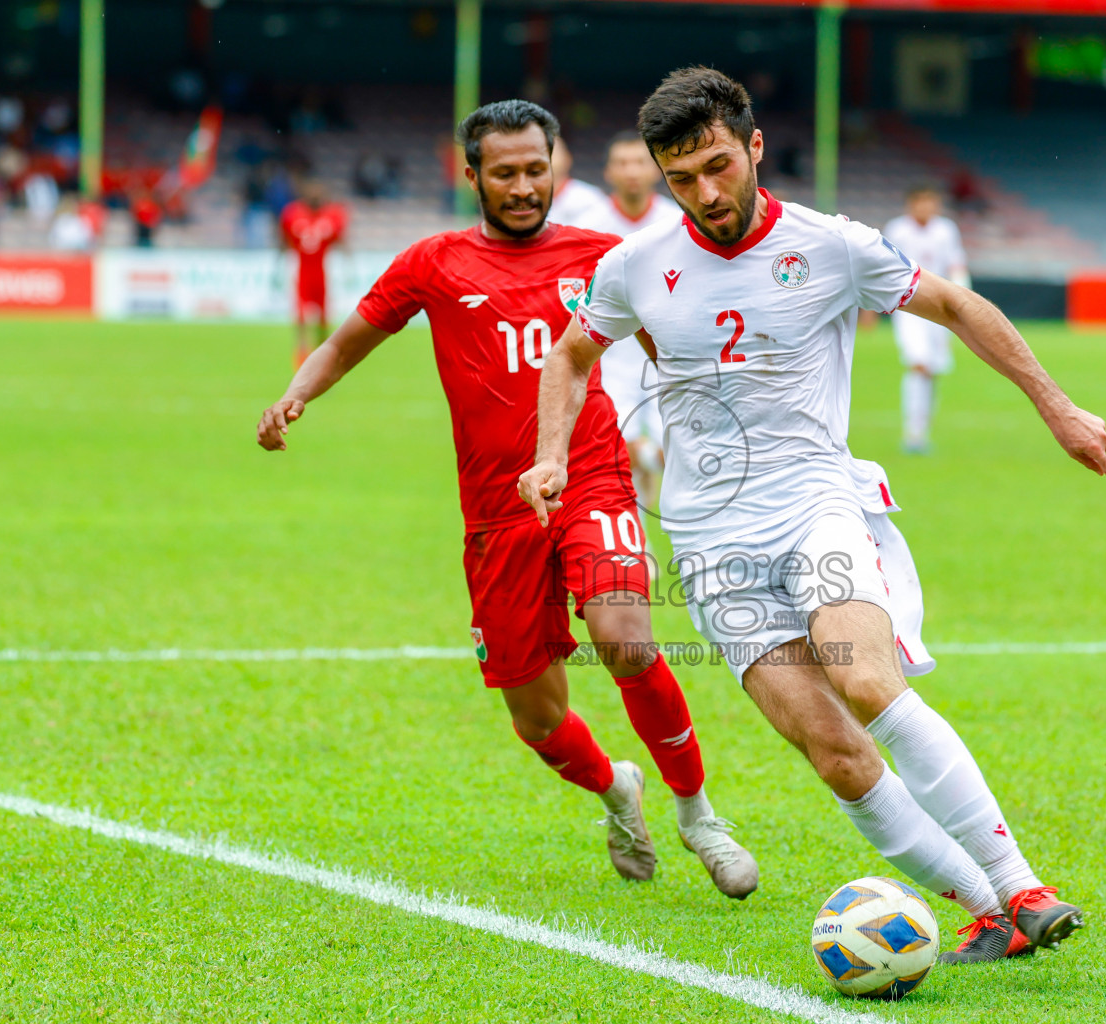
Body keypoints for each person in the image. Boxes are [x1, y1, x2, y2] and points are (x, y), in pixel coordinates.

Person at [521, 68, 1106, 966]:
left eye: (719, 167)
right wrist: (550, 453)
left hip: (817, 506)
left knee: (870, 683)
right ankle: (987, 910)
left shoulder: (834, 245)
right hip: (710, 542)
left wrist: (1059, 407)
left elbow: (957, 304)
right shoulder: (634, 266)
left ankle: (1024, 884)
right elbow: (570, 356)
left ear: (754, 146)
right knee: (835, 753)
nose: (706, 194)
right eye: (682, 179)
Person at [255, 99, 757, 900]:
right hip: (495, 514)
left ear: (555, 167)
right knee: (537, 719)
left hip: (590, 474)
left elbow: (678, 344)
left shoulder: (606, 255)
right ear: (473, 177)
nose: (524, 187)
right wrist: (295, 395)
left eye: (537, 170)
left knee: (626, 638)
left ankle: (698, 815)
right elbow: (351, 338)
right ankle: (614, 789)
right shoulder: (434, 262)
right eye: (506, 174)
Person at [566, 131, 681, 523]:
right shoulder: (587, 225)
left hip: (667, 351)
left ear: (656, 170)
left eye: (640, 162)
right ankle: (637, 548)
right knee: (616, 449)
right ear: (608, 171)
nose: (632, 171)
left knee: (681, 450)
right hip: (610, 353)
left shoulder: (677, 221)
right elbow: (572, 292)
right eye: (623, 163)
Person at [883, 185, 970, 453]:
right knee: (918, 363)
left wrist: (963, 300)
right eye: (921, 202)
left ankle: (922, 430)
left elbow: (956, 265)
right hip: (908, 308)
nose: (926, 208)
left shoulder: (946, 230)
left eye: (931, 203)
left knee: (932, 369)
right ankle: (913, 435)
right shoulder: (897, 230)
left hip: (939, 308)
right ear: (911, 204)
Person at [278, 179, 347, 368]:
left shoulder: (332, 215)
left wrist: (349, 264)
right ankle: (301, 361)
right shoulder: (293, 214)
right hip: (302, 274)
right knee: (301, 319)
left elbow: (340, 240)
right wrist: (277, 265)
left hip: (321, 275)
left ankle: (321, 362)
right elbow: (285, 240)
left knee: (323, 322)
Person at [545, 133, 604, 227]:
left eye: (552, 152)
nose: (546, 158)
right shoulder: (525, 198)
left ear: (568, 159)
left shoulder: (591, 198)